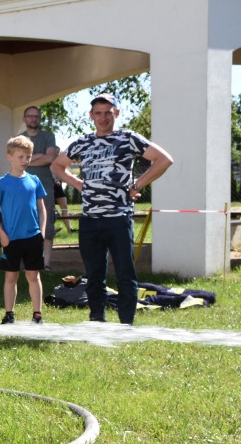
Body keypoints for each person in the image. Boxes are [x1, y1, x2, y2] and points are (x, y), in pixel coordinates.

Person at [51, 93, 173, 325]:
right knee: (95, 274)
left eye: (108, 112)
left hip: (118, 218)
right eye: (98, 113)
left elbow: (164, 159)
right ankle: (97, 320)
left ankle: (126, 322)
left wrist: (137, 184)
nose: (103, 117)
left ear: (116, 113)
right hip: (89, 220)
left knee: (125, 273)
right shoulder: (83, 142)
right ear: (91, 116)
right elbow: (57, 164)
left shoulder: (128, 138)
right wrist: (77, 183)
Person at [0, 136, 47, 325]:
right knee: (11, 276)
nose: (25, 161)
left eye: (28, 157)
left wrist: (42, 231)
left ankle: (37, 314)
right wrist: (1, 234)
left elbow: (42, 208)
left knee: (33, 275)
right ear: (10, 157)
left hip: (33, 237)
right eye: (20, 157)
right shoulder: (2, 182)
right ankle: (9, 313)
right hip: (11, 239)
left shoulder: (35, 180)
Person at [19, 106, 59, 270]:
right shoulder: (20, 139)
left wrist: (27, 159)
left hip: (45, 186)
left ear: (40, 119)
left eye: (36, 116)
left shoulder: (48, 136)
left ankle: (46, 264)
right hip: (22, 186)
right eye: (30, 116)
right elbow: (17, 161)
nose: (33, 119)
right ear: (24, 119)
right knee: (25, 223)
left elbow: (50, 158)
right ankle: (28, 262)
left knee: (47, 223)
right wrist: (39, 156)